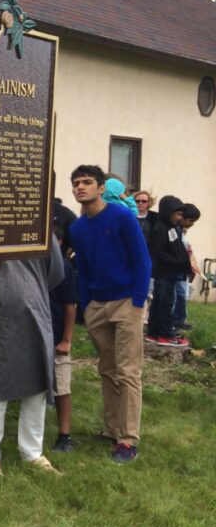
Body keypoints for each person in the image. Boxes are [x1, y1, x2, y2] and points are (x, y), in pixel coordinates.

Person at [68, 164, 151, 463]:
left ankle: (128, 440)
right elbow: (85, 268)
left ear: (101, 187)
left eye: (87, 182)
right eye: (76, 183)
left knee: (128, 372)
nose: (81, 187)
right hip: (97, 306)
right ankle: (112, 429)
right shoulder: (77, 228)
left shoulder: (122, 217)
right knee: (107, 370)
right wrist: (87, 305)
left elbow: (142, 260)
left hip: (127, 300)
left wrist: (138, 301)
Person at [0, 240, 65, 476]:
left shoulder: (40, 227)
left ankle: (32, 452)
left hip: (35, 312)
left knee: (36, 385)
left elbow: (55, 271)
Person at [146, 195, 190, 346]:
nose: (179, 218)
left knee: (160, 301)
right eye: (177, 214)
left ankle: (154, 333)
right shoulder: (161, 228)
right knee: (165, 303)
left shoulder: (170, 228)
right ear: (168, 212)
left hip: (170, 273)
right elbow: (158, 252)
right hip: (164, 273)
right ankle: (165, 335)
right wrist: (177, 261)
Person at [50, 247, 79, 453]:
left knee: (62, 387)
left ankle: (64, 435)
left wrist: (67, 340)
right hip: (31, 336)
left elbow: (70, 305)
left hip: (57, 337)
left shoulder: (63, 268)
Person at [173, 203, 201, 335]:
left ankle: (180, 320)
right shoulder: (173, 229)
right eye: (190, 221)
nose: (191, 224)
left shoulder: (181, 231)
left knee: (182, 294)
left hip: (182, 268)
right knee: (175, 295)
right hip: (175, 268)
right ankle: (174, 322)